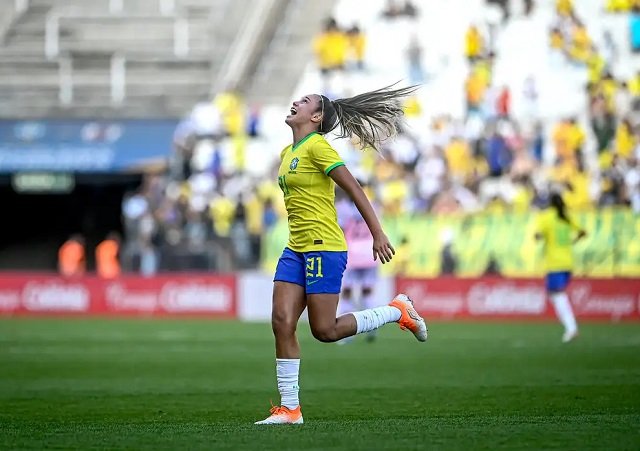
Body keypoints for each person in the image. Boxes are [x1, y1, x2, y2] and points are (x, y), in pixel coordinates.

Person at [255, 85, 428, 425]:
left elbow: (353, 188)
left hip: (324, 246)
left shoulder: (318, 146)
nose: (296, 102)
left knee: (325, 330)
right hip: (296, 248)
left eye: (305, 101)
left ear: (316, 117)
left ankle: (396, 311)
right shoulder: (287, 151)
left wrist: (378, 232)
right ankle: (290, 410)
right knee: (281, 322)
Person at [535, 192, 586, 343]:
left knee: (557, 295)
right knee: (553, 294)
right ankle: (570, 327)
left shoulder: (546, 217)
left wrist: (539, 237)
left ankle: (571, 328)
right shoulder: (566, 216)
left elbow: (538, 235)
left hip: (555, 263)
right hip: (568, 261)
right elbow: (583, 232)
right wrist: (572, 242)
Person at [335, 188, 380, 343]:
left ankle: (346, 333)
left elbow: (340, 230)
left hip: (352, 253)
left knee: (347, 291)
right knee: (367, 291)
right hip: (369, 252)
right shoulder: (371, 205)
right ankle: (373, 324)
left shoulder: (342, 208)